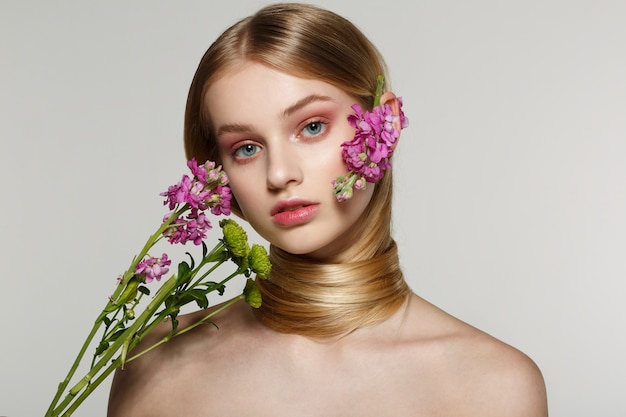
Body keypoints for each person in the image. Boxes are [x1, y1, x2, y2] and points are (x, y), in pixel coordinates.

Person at [108, 3, 548, 416]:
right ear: (218, 172)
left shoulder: (495, 386)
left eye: (311, 127)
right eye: (245, 148)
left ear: (387, 124)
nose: (278, 174)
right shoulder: (152, 359)